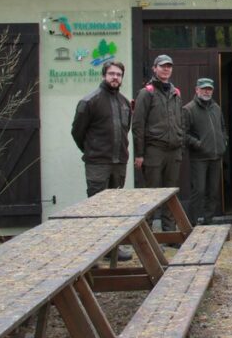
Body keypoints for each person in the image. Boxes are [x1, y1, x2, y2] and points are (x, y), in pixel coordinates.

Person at [71, 60, 132, 259]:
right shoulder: (89, 101)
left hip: (119, 163)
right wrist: (92, 151)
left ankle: (113, 249)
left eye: (119, 74)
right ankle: (96, 251)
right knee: (97, 209)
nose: (115, 77)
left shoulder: (124, 102)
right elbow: (77, 132)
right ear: (104, 75)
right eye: (112, 74)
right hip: (97, 163)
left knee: (115, 208)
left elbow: (125, 130)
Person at [132, 54, 185, 233]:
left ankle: (169, 233)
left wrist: (180, 143)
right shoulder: (146, 93)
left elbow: (181, 120)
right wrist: (139, 154)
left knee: (170, 195)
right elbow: (138, 125)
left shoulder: (175, 92)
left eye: (169, 66)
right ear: (155, 68)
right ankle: (148, 237)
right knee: (151, 195)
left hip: (173, 151)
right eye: (162, 66)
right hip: (154, 150)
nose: (166, 69)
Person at [183, 77, 227, 227]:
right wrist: (198, 144)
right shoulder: (188, 109)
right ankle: (191, 224)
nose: (206, 91)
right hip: (199, 158)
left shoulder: (217, 108)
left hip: (216, 156)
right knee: (199, 191)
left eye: (209, 89)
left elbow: (222, 128)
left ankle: (208, 221)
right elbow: (183, 134)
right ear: (197, 90)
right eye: (203, 89)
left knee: (213, 191)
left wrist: (224, 142)